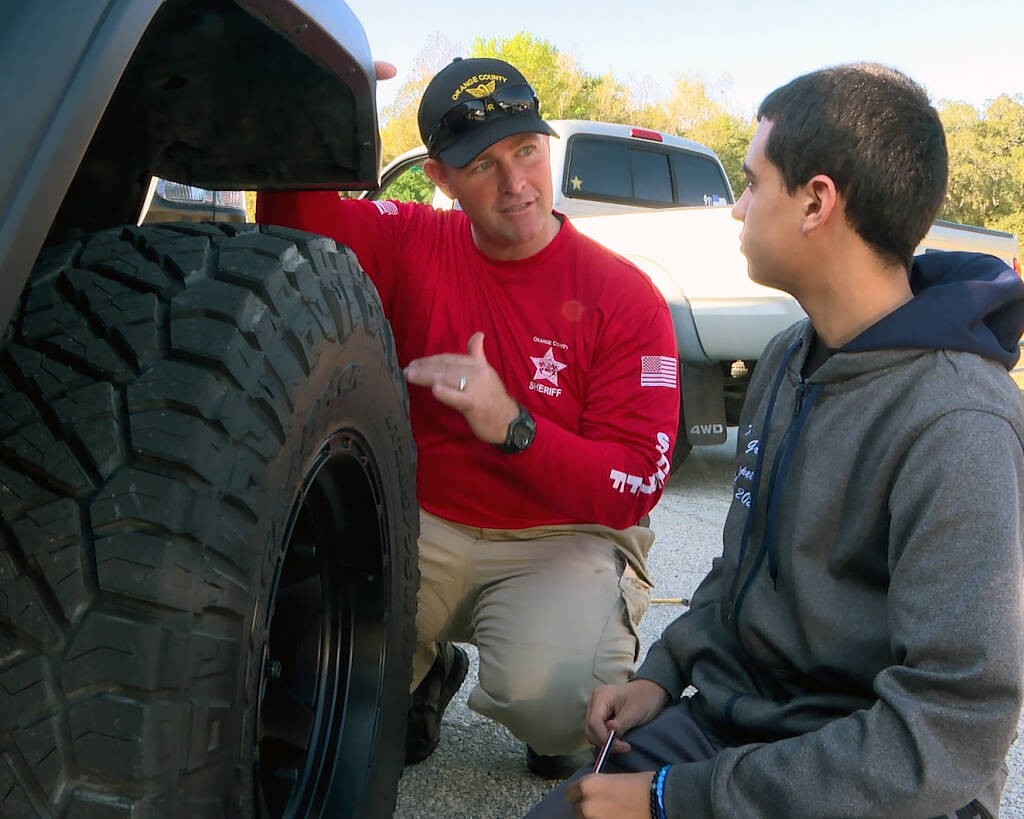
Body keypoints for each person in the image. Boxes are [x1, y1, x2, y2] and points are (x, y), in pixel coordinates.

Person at [526, 62, 1024, 818]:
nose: (734, 210)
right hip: (741, 728)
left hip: (877, 783)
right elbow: (742, 568)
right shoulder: (791, 358)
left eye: (753, 184)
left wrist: (672, 796)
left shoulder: (958, 423)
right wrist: (662, 671)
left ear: (817, 201)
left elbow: (948, 733)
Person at [257, 56, 680, 777]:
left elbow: (634, 483)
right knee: (306, 656)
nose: (517, 184)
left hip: (561, 532)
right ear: (440, 177)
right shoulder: (413, 240)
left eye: (526, 151)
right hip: (425, 525)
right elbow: (300, 225)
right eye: (483, 165)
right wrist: (314, 89)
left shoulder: (625, 295)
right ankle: (422, 670)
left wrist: (514, 426)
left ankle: (543, 707)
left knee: (564, 712)